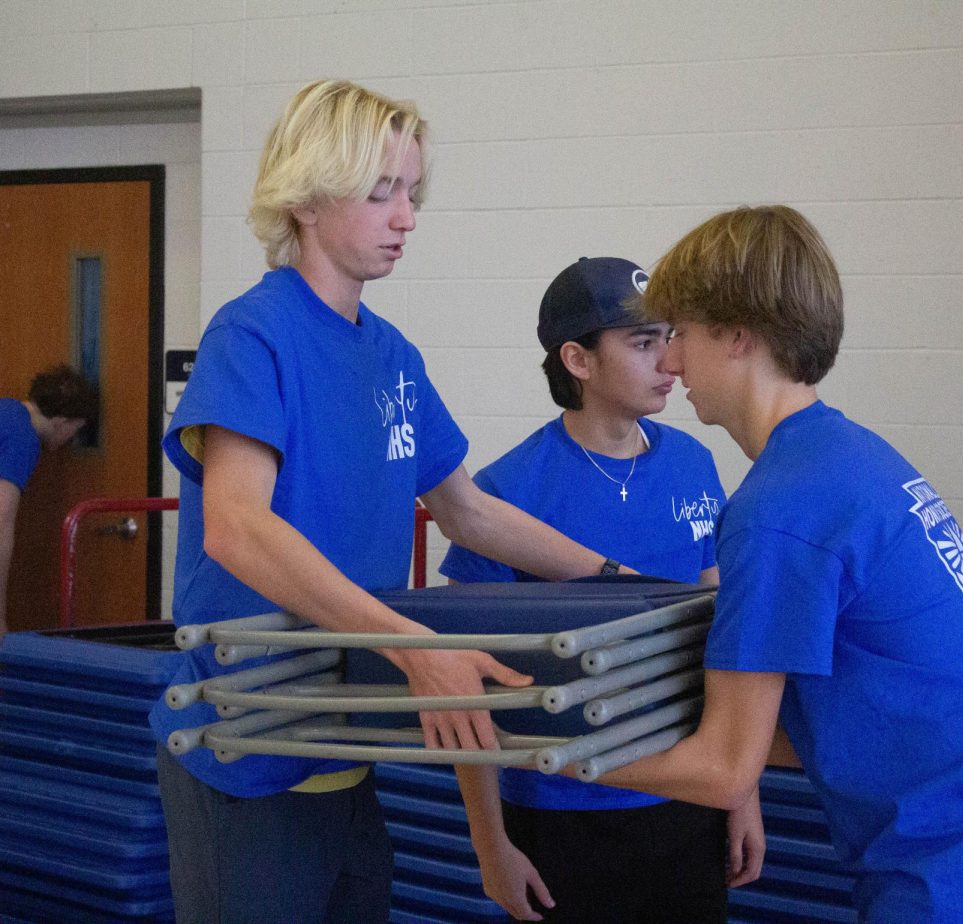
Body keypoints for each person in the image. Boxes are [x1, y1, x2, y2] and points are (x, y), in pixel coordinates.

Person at [150, 80, 635, 924]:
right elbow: (235, 526)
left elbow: (468, 510)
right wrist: (414, 644)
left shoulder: (392, 356)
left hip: (346, 735)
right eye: (381, 192)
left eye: (411, 192)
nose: (406, 215)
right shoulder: (254, 334)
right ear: (305, 198)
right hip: (252, 746)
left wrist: (619, 578)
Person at [583, 205, 963, 924]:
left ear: (737, 335)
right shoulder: (851, 455)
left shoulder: (781, 508)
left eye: (681, 334)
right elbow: (843, 720)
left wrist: (535, 749)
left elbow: (725, 769)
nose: (670, 362)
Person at [440, 256, 763, 922]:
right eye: (644, 344)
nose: (670, 361)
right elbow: (464, 685)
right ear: (578, 361)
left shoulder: (693, 463)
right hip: (561, 814)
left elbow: (724, 639)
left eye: (668, 338)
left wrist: (742, 789)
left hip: (688, 795)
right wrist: (490, 843)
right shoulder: (508, 494)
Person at [0, 365, 99, 640]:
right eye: (75, 430)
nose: (71, 440)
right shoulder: (23, 438)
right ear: (61, 422)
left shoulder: (6, 410)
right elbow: (1, 522)